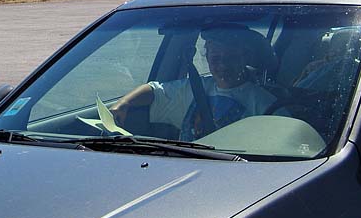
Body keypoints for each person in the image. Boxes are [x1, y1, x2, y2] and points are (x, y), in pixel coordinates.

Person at [110, 26, 279, 140]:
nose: (222, 64)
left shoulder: (264, 103)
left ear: (245, 57)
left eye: (231, 57)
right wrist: (124, 103)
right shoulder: (194, 89)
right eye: (215, 58)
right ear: (206, 57)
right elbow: (154, 91)